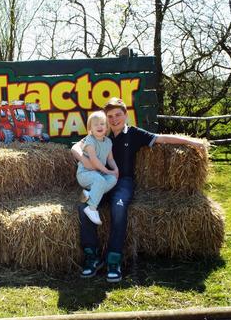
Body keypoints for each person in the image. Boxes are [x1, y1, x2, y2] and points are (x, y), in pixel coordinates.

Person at [71, 97, 204, 282]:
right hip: (99, 181)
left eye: (118, 114)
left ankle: (113, 260)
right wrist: (82, 159)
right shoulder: (100, 131)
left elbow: (161, 138)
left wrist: (193, 143)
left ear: (126, 115)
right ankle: (92, 258)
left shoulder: (133, 133)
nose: (114, 119)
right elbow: (76, 146)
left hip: (123, 182)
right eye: (110, 116)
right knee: (82, 207)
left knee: (119, 208)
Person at [76, 111, 118, 226]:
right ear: (90, 128)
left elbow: (110, 159)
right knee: (101, 180)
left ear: (107, 126)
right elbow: (94, 161)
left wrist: (115, 170)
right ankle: (92, 208)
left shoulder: (108, 142)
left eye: (102, 123)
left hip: (99, 174)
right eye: (96, 124)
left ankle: (89, 194)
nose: (99, 126)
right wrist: (107, 171)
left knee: (113, 179)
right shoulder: (90, 140)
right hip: (85, 174)